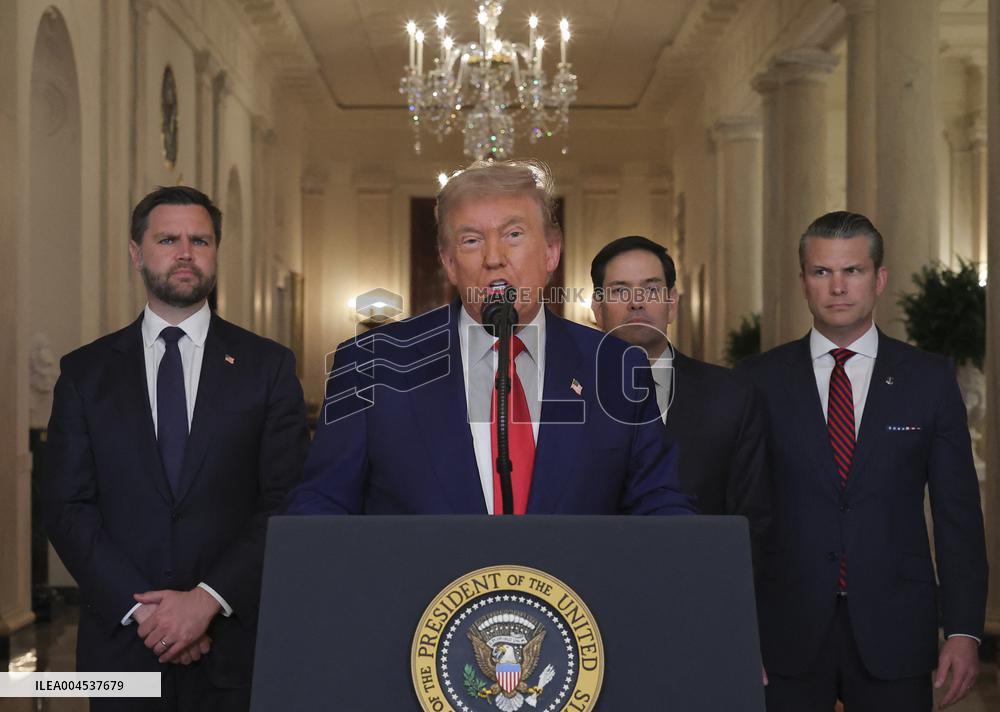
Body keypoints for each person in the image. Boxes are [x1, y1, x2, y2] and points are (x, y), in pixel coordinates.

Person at [285, 160, 693, 516]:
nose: (493, 257)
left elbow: (658, 504)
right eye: (471, 240)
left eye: (513, 234)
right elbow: (322, 504)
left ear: (551, 252)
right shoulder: (372, 362)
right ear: (448, 262)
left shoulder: (616, 366)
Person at [44, 186, 309, 710]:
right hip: (121, 649)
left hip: (236, 648)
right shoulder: (85, 373)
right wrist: (150, 615)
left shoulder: (267, 367)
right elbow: (66, 506)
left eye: (200, 240)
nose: (186, 252)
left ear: (214, 252)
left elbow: (285, 499)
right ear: (137, 252)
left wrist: (205, 602)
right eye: (168, 239)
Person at [736, 211, 988, 711]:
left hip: (897, 628)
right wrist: (734, 627)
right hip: (783, 630)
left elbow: (957, 514)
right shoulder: (756, 381)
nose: (838, 287)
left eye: (852, 271)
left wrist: (964, 630)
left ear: (879, 280)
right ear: (804, 282)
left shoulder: (929, 380)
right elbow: (738, 513)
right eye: (822, 272)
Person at [590, 235, 769, 569]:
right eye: (619, 291)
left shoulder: (731, 396)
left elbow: (753, 519)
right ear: (597, 309)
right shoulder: (568, 398)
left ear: (672, 303)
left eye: (651, 289)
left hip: (701, 590)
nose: (636, 302)